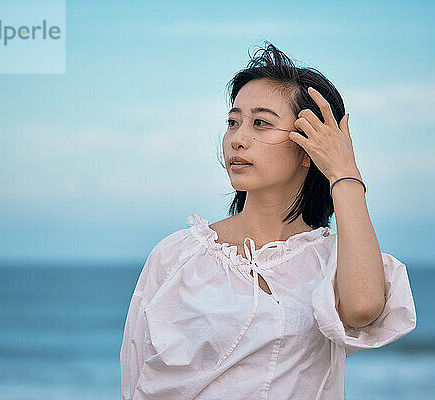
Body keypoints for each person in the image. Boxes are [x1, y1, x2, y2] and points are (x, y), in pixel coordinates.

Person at [120, 41, 416, 400]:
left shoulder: (334, 262)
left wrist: (343, 172)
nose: (238, 139)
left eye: (261, 123)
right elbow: (136, 376)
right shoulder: (175, 257)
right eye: (233, 122)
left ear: (309, 147)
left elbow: (363, 308)